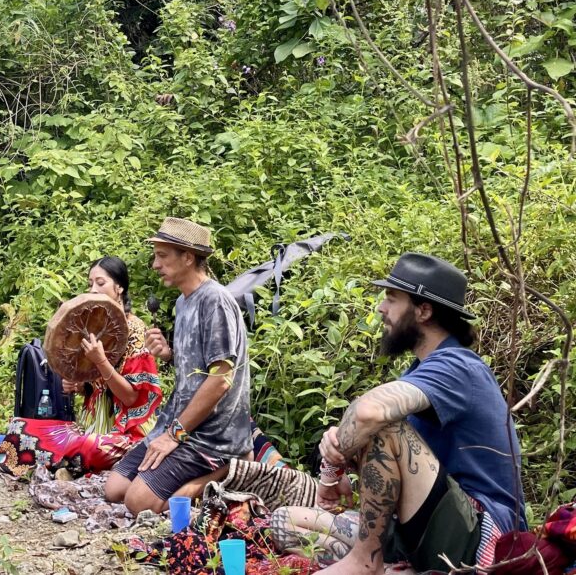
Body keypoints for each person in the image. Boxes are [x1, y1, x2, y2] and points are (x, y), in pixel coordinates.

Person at [272, 253, 526, 573]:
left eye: (391, 299)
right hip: (424, 528)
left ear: (423, 310)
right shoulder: (422, 369)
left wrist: (335, 461)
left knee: (385, 425)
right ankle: (393, 566)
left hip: (479, 536)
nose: (382, 308)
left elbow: (369, 414)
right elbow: (381, 442)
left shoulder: (459, 367)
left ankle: (365, 562)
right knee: (285, 522)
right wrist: (341, 458)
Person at [105, 217, 251, 515]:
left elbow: (221, 379)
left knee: (138, 502)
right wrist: (169, 354)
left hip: (213, 435)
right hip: (180, 423)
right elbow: (197, 367)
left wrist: (173, 436)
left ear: (188, 257)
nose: (155, 265)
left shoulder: (215, 301)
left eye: (162, 256)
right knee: (115, 489)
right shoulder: (183, 303)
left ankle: (232, 468)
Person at [0, 257, 163, 476]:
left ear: (119, 287)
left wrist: (101, 361)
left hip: (127, 434)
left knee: (91, 446)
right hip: (90, 428)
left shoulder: (136, 331)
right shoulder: (92, 326)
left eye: (100, 283)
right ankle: (66, 463)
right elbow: (94, 387)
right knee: (24, 427)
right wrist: (78, 386)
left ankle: (64, 463)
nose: (93, 290)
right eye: (90, 284)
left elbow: (131, 399)